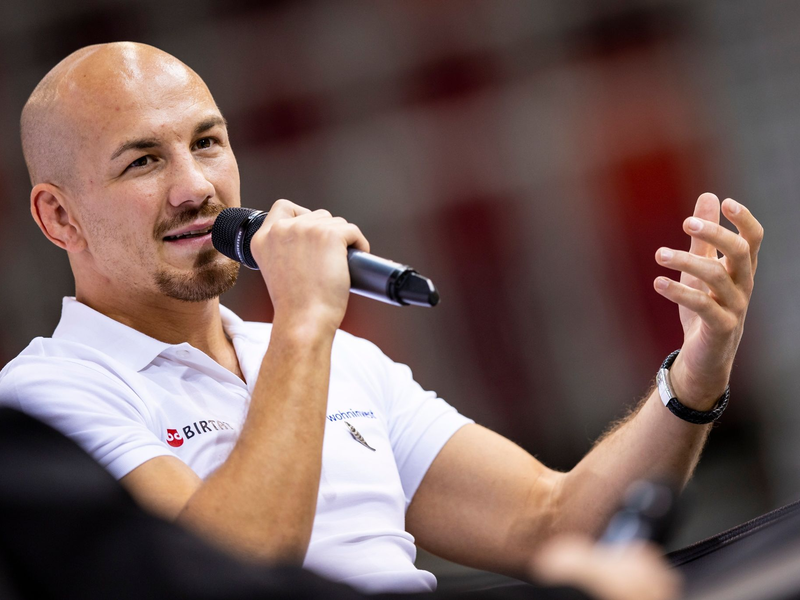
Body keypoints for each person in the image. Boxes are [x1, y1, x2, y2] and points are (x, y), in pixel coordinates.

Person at [0, 41, 762, 594]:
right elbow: (223, 577)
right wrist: (303, 323)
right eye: (144, 161)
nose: (196, 186)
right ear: (59, 216)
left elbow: (553, 523)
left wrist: (694, 377)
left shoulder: (327, 357)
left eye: (206, 142)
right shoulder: (45, 398)